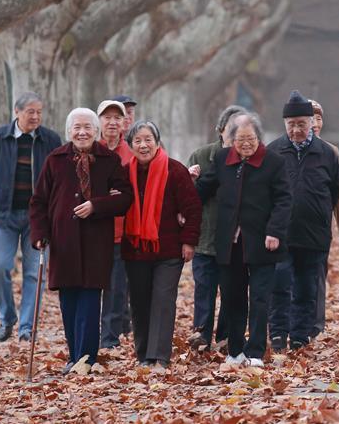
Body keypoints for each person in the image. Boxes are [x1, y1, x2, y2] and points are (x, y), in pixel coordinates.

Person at [29, 108, 133, 373]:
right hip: (64, 241)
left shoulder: (108, 160)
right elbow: (39, 202)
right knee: (69, 300)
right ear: (69, 131)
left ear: (96, 131)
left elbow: (124, 198)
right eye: (77, 127)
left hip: (96, 242)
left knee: (89, 298)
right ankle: (74, 355)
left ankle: (86, 359)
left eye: (88, 127)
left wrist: (96, 206)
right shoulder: (55, 159)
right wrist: (40, 234)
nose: (82, 132)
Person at [196, 113, 293, 367]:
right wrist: (184, 180)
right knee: (232, 297)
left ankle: (255, 352)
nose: (246, 144)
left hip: (262, 242)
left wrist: (275, 231)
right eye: (240, 139)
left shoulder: (273, 162)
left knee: (260, 298)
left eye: (250, 138)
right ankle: (235, 349)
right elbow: (202, 190)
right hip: (230, 243)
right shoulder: (222, 159)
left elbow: (284, 199)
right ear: (230, 140)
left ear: (259, 138)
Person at [0, 92, 62, 342]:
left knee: (34, 274)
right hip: (4, 216)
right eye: (30, 112)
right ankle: (7, 318)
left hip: (38, 218)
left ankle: (26, 328)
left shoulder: (50, 139)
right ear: (17, 112)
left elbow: (59, 181)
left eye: (39, 111)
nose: (36, 116)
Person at [122, 121, 202, 367]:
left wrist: (189, 241)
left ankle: (159, 356)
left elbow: (192, 208)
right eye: (138, 141)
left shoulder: (175, 170)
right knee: (139, 300)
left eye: (148, 139)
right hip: (135, 250)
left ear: (157, 143)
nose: (143, 145)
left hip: (169, 250)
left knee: (163, 298)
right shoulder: (125, 173)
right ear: (131, 145)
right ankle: (144, 353)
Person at [268, 91, 339, 351]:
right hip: (280, 232)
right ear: (284, 124)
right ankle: (278, 332)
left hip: (314, 233)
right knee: (279, 282)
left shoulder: (326, 153)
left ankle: (300, 335)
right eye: (291, 125)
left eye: (302, 124)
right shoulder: (273, 151)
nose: (297, 130)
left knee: (306, 287)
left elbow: (334, 191)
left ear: (312, 123)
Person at [187, 105, 247, 351]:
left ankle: (225, 336)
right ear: (220, 131)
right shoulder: (202, 156)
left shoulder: (251, 157)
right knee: (204, 288)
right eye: (230, 129)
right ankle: (201, 333)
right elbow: (187, 198)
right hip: (205, 236)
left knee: (231, 290)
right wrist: (190, 180)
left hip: (236, 240)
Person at [308, 99, 339, 338]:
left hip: (320, 225)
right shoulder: (281, 149)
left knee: (318, 275)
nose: (315, 123)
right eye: (311, 117)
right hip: (290, 226)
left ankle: (316, 325)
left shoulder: (330, 151)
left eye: (319, 118)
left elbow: (338, 193)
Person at [97, 100, 134, 349]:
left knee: (116, 290)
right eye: (106, 117)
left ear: (124, 123)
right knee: (91, 289)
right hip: (92, 233)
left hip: (122, 232)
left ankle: (109, 341)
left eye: (116, 118)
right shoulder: (88, 148)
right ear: (98, 121)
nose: (112, 122)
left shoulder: (131, 153)